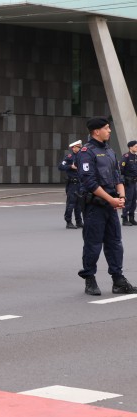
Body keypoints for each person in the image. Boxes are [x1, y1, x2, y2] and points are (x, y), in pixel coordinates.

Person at [77, 117, 136, 296]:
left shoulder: (110, 151)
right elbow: (89, 182)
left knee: (115, 243)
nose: (110, 131)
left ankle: (118, 280)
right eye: (107, 128)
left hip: (110, 204)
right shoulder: (87, 152)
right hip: (95, 206)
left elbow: (117, 176)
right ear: (96, 131)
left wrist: (122, 197)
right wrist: (111, 200)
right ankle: (90, 279)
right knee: (93, 244)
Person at [58, 140, 83, 229]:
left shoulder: (81, 156)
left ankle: (79, 221)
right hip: (72, 184)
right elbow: (60, 166)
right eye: (78, 147)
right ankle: (68, 222)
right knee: (71, 203)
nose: (80, 148)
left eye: (80, 147)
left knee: (79, 204)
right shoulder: (69, 157)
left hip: (80, 183)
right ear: (73, 147)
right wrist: (70, 167)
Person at [120, 140, 137, 226]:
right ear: (130, 147)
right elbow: (121, 169)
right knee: (128, 200)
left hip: (134, 182)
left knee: (134, 201)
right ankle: (125, 218)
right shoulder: (126, 156)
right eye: (135, 146)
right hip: (128, 182)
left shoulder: (135, 157)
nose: (136, 148)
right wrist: (123, 180)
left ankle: (131, 218)